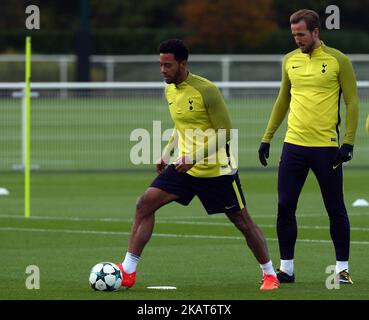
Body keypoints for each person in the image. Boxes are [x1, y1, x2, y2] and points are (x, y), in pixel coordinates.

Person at [118, 39, 280, 290]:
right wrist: (166, 152)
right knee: (145, 204)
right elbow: (181, 125)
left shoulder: (206, 90)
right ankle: (128, 271)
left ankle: (270, 274)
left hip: (216, 170)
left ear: (183, 64)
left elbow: (225, 133)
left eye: (168, 65)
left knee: (242, 222)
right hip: (183, 168)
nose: (163, 70)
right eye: (160, 65)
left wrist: (195, 157)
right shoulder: (169, 89)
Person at [258, 9, 359, 284]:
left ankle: (341, 270)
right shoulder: (289, 61)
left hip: (327, 148)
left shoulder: (339, 60)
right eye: (294, 35)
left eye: (301, 34)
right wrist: (267, 138)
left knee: (335, 207)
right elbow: (282, 100)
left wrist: (348, 141)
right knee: (285, 205)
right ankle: (286, 269)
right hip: (294, 146)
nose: (297, 39)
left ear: (316, 32)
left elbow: (352, 102)